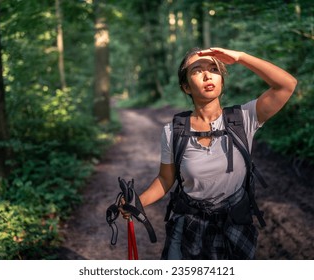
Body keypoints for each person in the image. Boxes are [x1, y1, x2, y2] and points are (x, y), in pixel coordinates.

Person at [121, 47, 297, 260]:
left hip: (235, 225)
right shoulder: (173, 132)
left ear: (221, 80)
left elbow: (286, 85)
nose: (207, 75)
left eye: (214, 69)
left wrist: (240, 58)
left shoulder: (243, 118)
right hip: (188, 226)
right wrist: (137, 202)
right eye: (197, 70)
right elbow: (165, 180)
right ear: (186, 86)